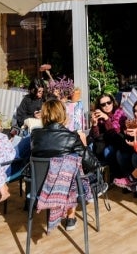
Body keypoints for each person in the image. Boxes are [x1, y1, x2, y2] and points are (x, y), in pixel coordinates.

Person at [30, 99, 96, 231]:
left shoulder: (34, 135)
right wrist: (84, 144)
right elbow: (91, 164)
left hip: (40, 187)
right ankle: (70, 218)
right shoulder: (72, 137)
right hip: (64, 188)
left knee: (69, 166)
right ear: (63, 115)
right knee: (74, 169)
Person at [88, 93, 129, 178]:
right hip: (105, 142)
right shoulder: (99, 116)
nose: (107, 106)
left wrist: (106, 119)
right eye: (103, 104)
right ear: (100, 106)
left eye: (108, 102)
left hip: (118, 142)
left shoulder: (120, 113)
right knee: (91, 146)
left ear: (113, 102)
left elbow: (116, 131)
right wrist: (95, 124)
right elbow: (95, 136)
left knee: (108, 151)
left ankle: (114, 175)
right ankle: (96, 174)